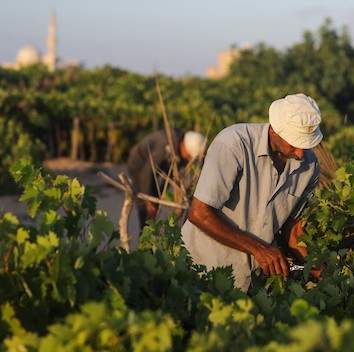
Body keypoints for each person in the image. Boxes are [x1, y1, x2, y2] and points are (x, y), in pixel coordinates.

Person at [181, 93, 322, 291]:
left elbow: (293, 232)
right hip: (201, 271)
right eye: (294, 143)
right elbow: (199, 213)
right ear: (274, 130)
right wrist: (260, 249)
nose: (300, 153)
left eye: (306, 145)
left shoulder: (310, 165)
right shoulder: (233, 144)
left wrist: (323, 274)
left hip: (251, 282)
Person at [127, 129, 205, 232]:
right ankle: (145, 238)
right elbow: (146, 173)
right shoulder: (165, 146)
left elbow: (168, 176)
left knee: (155, 202)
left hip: (155, 168)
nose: (189, 160)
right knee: (146, 210)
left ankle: (151, 231)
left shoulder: (180, 147)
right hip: (139, 166)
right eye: (190, 156)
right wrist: (150, 203)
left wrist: (158, 199)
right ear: (184, 147)